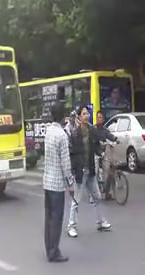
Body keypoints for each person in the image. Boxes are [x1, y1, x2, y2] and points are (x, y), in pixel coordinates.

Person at [68, 105, 111, 238]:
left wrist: (102, 151)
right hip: (81, 171)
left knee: (97, 196)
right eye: (84, 114)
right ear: (79, 117)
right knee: (76, 200)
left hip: (90, 170)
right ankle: (71, 226)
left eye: (88, 114)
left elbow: (97, 143)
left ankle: (100, 222)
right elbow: (73, 154)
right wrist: (75, 171)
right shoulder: (75, 134)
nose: (87, 116)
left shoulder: (91, 130)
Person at [43, 103, 75, 263]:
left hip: (47, 181)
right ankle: (54, 252)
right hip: (57, 184)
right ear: (63, 117)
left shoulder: (48, 132)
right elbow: (65, 163)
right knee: (57, 218)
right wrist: (70, 184)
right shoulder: (61, 135)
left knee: (48, 217)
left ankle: (49, 247)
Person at [94, 110, 118, 200]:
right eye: (97, 117)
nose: (98, 119)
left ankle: (107, 192)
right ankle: (94, 192)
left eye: (100, 117)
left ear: (103, 119)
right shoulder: (93, 129)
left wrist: (115, 139)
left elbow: (109, 135)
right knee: (95, 172)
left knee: (108, 170)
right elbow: (93, 141)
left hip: (104, 153)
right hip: (96, 153)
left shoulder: (104, 130)